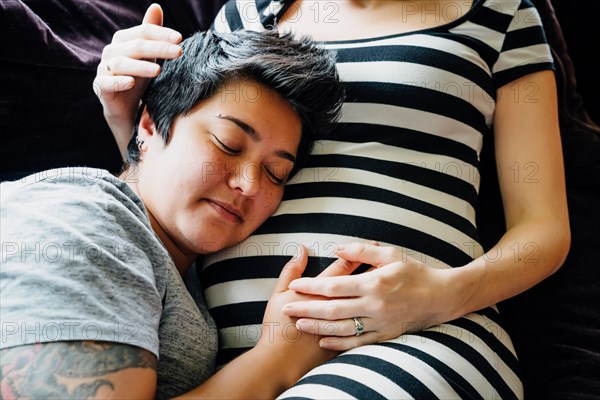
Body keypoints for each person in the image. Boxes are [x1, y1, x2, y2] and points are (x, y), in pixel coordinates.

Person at [96, 0, 571, 398]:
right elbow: (181, 174)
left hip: (419, 337)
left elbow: (543, 227)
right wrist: (125, 112)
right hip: (240, 370)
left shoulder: (501, 13)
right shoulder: (245, 15)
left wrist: (441, 297)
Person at [0, 28, 347, 399]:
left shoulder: (183, 272)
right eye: (228, 145)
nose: (250, 183)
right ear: (149, 124)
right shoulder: (83, 218)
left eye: (275, 173)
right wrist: (277, 361)